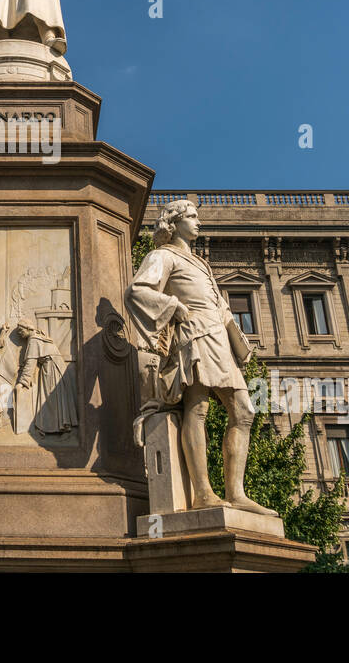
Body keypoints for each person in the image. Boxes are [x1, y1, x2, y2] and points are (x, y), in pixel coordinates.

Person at [125, 200, 277, 516]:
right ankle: (204, 493)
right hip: (193, 336)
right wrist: (173, 307)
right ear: (174, 222)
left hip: (218, 337)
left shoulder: (201, 263)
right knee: (198, 407)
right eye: (192, 217)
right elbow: (137, 291)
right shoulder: (162, 256)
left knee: (245, 412)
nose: (198, 222)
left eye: (198, 217)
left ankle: (236, 493)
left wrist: (237, 340)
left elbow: (220, 306)